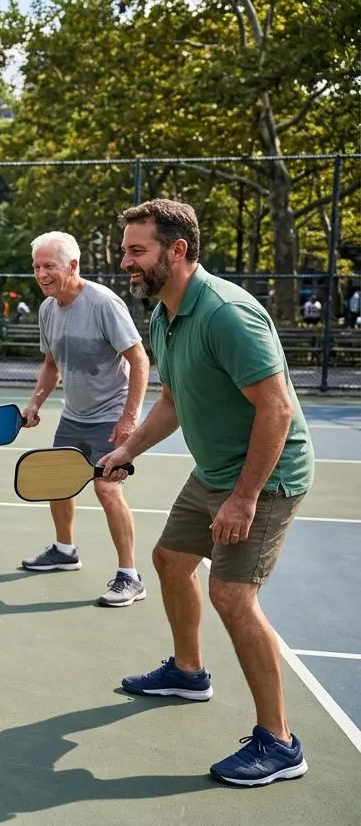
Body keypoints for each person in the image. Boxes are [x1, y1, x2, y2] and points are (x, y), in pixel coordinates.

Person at [96, 198, 314, 787]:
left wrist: (243, 498)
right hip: (214, 470)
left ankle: (280, 744)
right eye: (125, 250)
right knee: (170, 560)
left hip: (266, 476)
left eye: (137, 251)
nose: (126, 262)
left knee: (233, 596)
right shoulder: (163, 315)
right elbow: (171, 401)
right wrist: (127, 450)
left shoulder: (227, 314)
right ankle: (189, 672)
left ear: (178, 250)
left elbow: (276, 409)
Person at [18, 231, 150, 608]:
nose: (41, 274)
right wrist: (35, 404)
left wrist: (129, 419)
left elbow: (139, 360)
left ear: (73, 266)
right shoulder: (47, 309)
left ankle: (130, 576)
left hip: (110, 415)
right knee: (58, 483)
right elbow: (51, 364)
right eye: (37, 267)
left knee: (107, 489)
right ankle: (65, 551)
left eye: (49, 266)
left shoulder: (103, 304)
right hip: (73, 415)